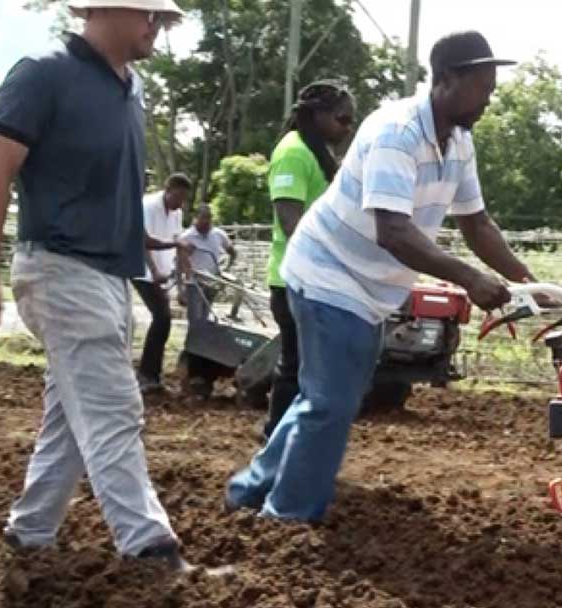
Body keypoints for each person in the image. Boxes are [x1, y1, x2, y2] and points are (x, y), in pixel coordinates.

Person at [225, 30, 537, 522]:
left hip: (368, 291)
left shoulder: (458, 140)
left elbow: (476, 223)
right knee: (332, 403)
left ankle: (249, 490)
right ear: (445, 80)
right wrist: (468, 279)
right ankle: (286, 517)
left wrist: (526, 280)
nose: (488, 99)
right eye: (482, 87)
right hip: (329, 274)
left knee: (323, 399)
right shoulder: (398, 131)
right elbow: (393, 230)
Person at [0, 0, 191, 570]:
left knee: (72, 413)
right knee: (113, 407)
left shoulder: (130, 90)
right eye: (151, 17)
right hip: (59, 265)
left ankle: (30, 530)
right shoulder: (44, 72)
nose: (157, 29)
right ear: (108, 10)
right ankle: (147, 547)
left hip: (110, 276)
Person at [262, 80, 356, 440]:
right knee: (296, 368)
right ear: (317, 115)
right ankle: (276, 441)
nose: (347, 128)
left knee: (306, 368)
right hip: (293, 282)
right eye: (342, 119)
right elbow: (291, 223)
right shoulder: (293, 153)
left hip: (314, 280)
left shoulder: (316, 153)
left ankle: (286, 441)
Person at [133, 172, 191, 393]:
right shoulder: (147, 206)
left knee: (162, 320)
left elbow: (178, 245)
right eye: (177, 197)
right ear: (167, 191)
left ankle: (151, 374)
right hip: (142, 271)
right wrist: (155, 272)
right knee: (162, 318)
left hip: (161, 273)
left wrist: (182, 286)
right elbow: (144, 242)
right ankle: (147, 374)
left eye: (184, 199)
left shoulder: (176, 213)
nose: (180, 203)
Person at [175, 204, 237, 397]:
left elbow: (232, 252)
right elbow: (179, 264)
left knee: (207, 325)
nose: (206, 223)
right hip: (194, 284)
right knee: (196, 326)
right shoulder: (187, 237)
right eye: (203, 220)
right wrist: (181, 288)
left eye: (209, 220)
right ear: (196, 218)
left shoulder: (218, 235)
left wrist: (225, 269)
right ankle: (191, 369)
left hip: (211, 284)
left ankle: (202, 365)